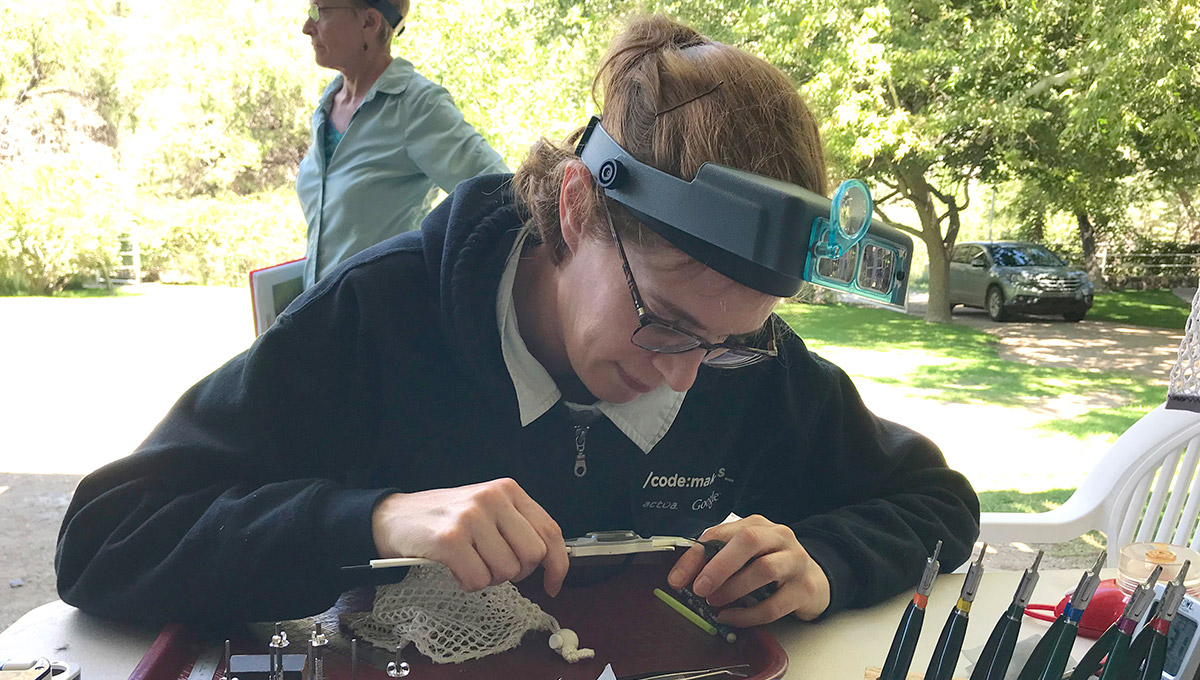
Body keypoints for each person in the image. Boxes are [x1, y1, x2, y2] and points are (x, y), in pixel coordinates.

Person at [56, 15, 979, 627]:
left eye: (732, 340)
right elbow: (104, 540)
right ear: (576, 207)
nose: (685, 377)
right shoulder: (377, 320)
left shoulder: (746, 364)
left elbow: (939, 503)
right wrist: (373, 519)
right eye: (663, 322)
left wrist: (821, 562)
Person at [297, 0, 509, 287]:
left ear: (368, 23)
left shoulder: (416, 105)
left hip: (379, 323)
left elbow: (502, 193)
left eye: (318, 11)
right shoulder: (327, 104)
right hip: (325, 321)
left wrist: (445, 263)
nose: (307, 27)